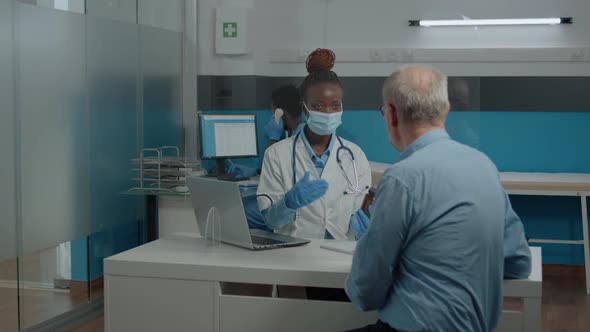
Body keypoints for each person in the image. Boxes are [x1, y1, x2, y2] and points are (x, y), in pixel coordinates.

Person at [345, 66, 531, 332]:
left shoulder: (401, 178)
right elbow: (518, 262)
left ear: (392, 115)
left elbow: (366, 292)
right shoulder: (484, 166)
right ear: (445, 109)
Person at [257, 48, 372, 240]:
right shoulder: (277, 154)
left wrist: (367, 224)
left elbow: (361, 212)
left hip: (340, 253)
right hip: (294, 253)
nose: (328, 112)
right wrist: (287, 203)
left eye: (335, 105)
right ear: (305, 106)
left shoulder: (354, 155)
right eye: (319, 106)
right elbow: (271, 221)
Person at [229, 85, 306, 231]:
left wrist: (273, 137)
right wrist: (257, 171)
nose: (272, 116)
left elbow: (276, 175)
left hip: (288, 209)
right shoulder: (300, 132)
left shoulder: (297, 139)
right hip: (287, 201)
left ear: (279, 112)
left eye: (273, 112)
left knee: (236, 211)